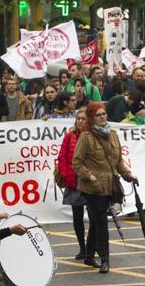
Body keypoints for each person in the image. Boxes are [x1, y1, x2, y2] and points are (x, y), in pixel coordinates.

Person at [72, 103, 139, 273]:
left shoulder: (113, 135)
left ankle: (88, 255)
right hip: (92, 188)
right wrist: (89, 175)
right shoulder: (86, 137)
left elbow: (118, 162)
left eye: (104, 114)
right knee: (101, 221)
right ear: (92, 118)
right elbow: (77, 163)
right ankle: (105, 259)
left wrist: (128, 175)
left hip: (109, 185)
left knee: (96, 221)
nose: (103, 117)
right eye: (98, 115)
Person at [58, 108, 89, 260]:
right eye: (79, 119)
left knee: (96, 218)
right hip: (74, 182)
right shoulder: (70, 136)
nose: (81, 121)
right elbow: (62, 157)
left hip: (90, 182)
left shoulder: (93, 136)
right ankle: (82, 248)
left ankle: (92, 247)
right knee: (77, 218)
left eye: (84, 119)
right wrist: (66, 174)